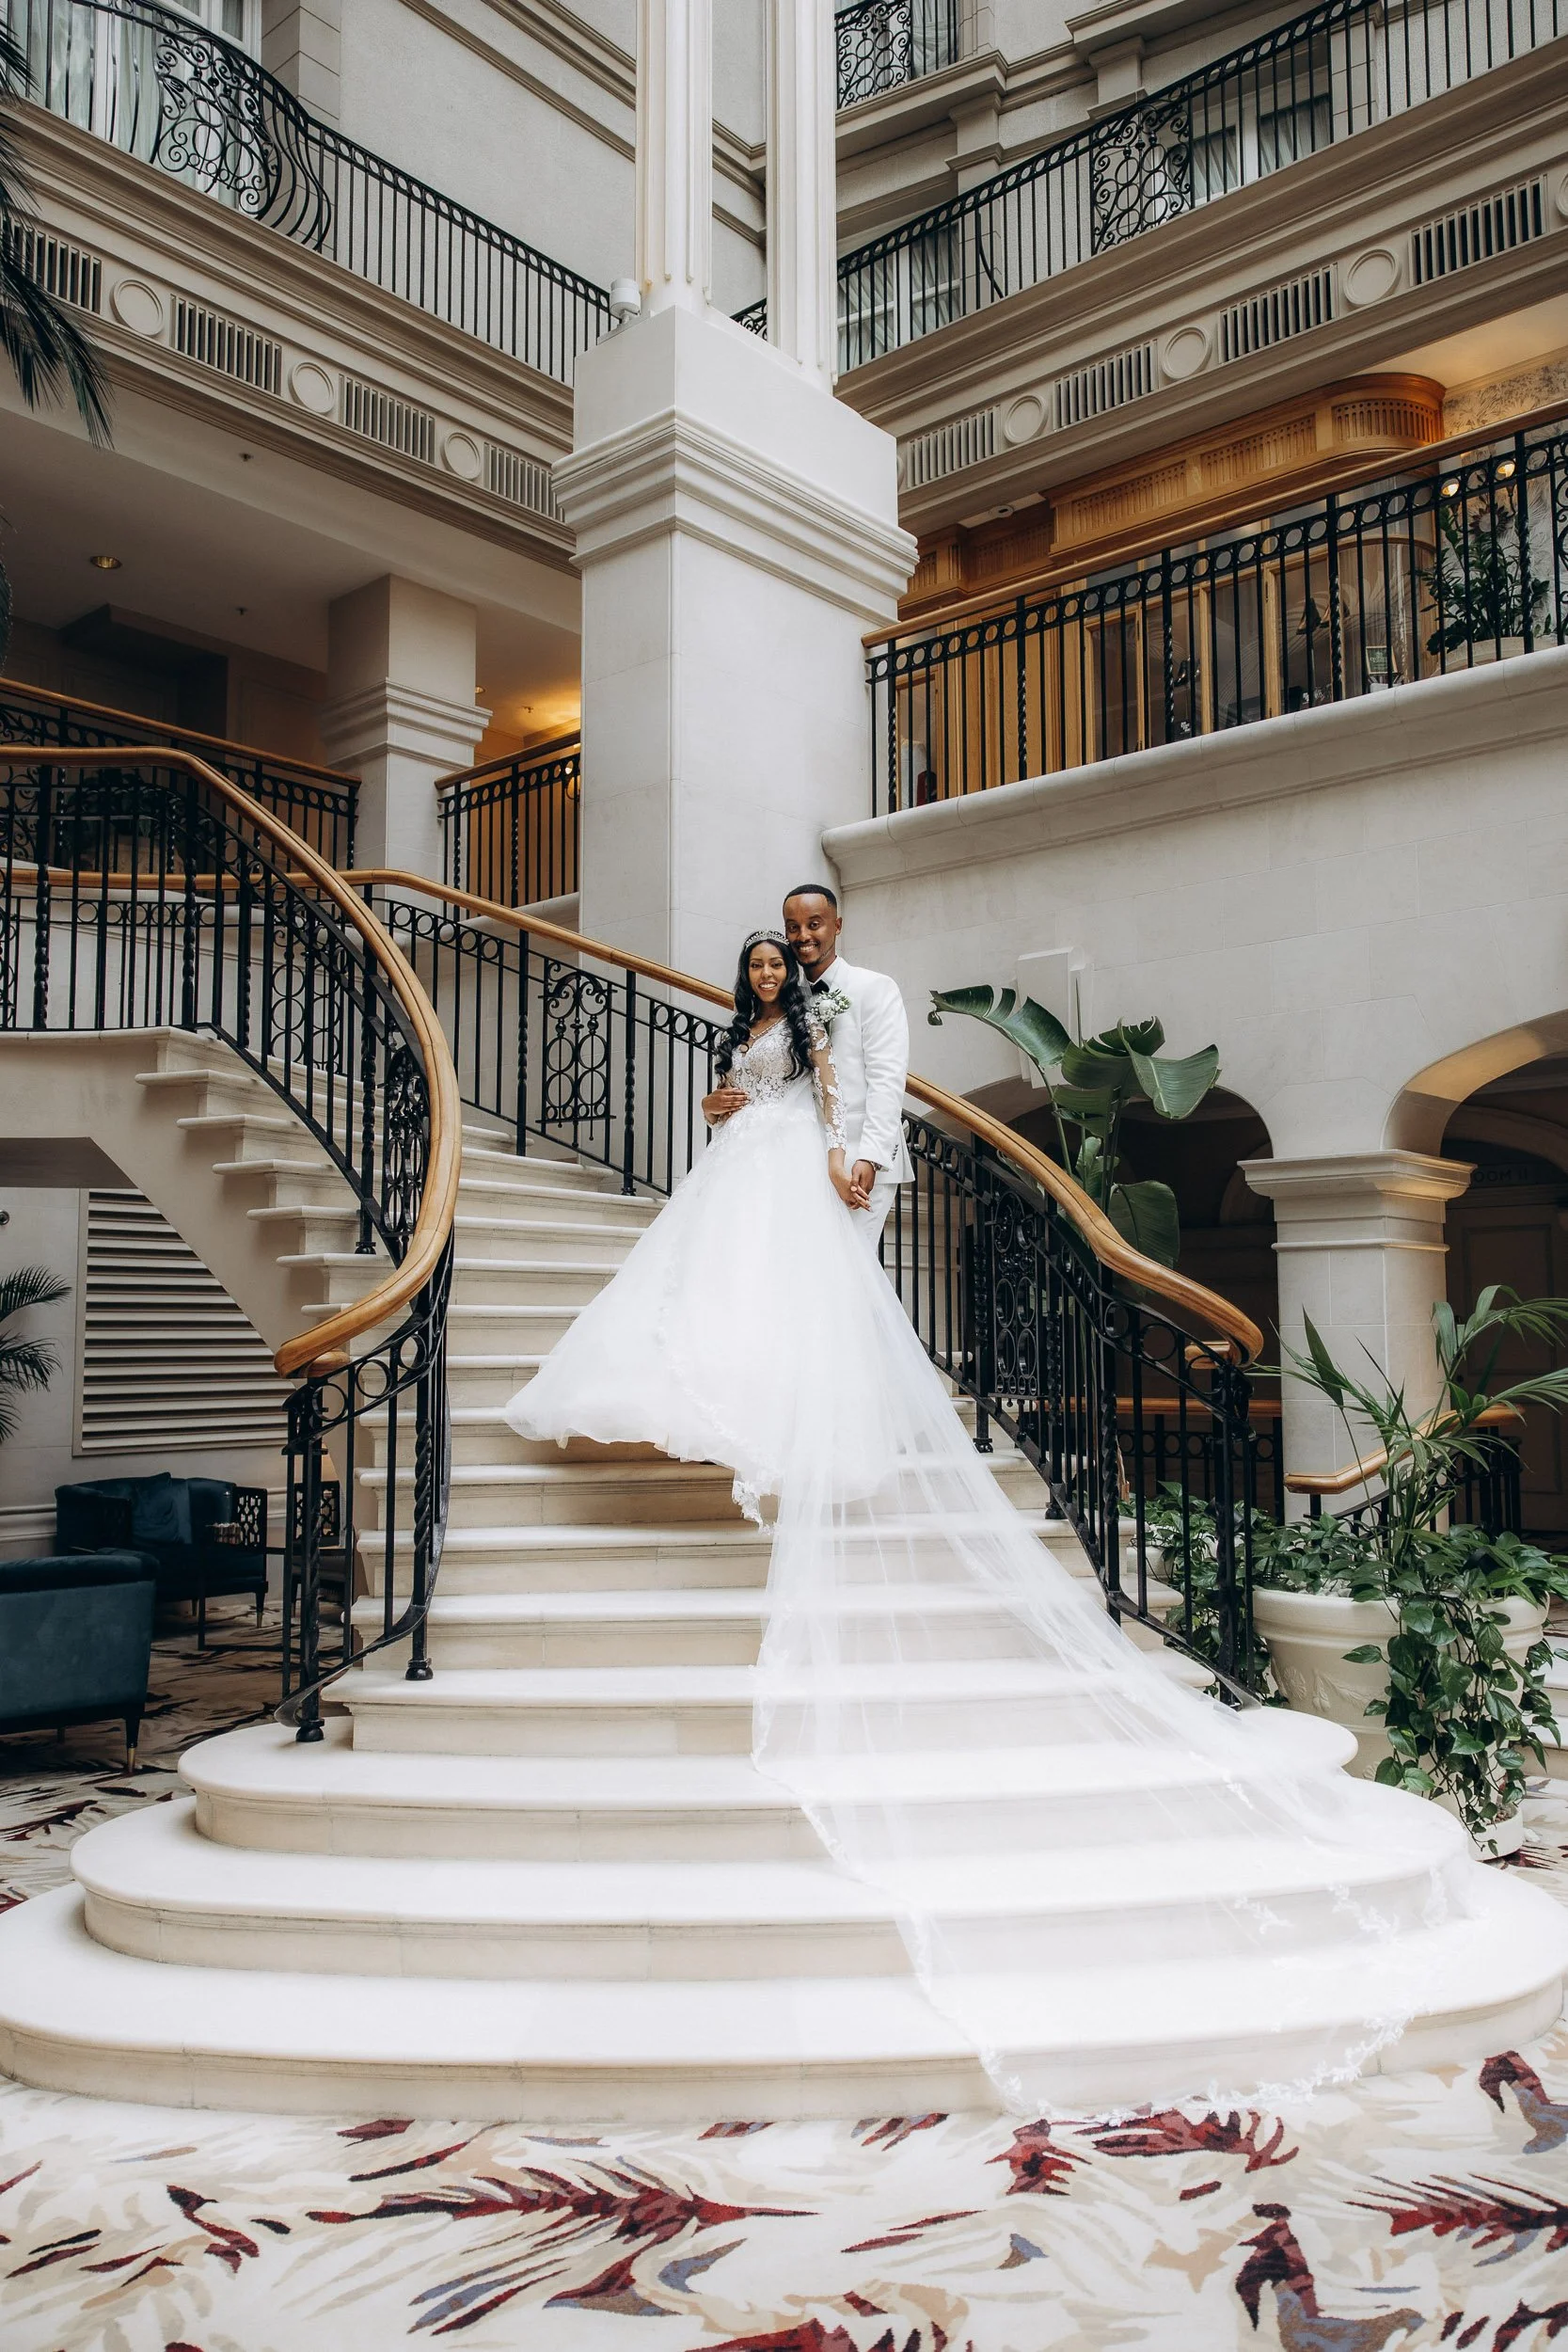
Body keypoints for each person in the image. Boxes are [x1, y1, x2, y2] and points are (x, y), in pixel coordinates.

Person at [502, 921, 1523, 2119]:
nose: (778, 970)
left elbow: (842, 1087)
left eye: (788, 954)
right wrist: (733, 1104)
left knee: (793, 1304)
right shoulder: (752, 1024)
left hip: (801, 1166)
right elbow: (747, 1087)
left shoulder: (835, 1011)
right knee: (723, 1292)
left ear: (808, 955)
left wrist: (846, 1156)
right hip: (744, 1162)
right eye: (768, 961)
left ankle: (782, 1411)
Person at [703, 883, 911, 1250]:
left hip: (859, 1159)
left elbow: (887, 1081)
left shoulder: (873, 988)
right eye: (793, 926)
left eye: (815, 924)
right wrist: (711, 1108)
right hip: (798, 1163)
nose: (804, 936)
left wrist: (871, 1157)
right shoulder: (781, 1002)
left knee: (850, 1277)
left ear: (837, 925)